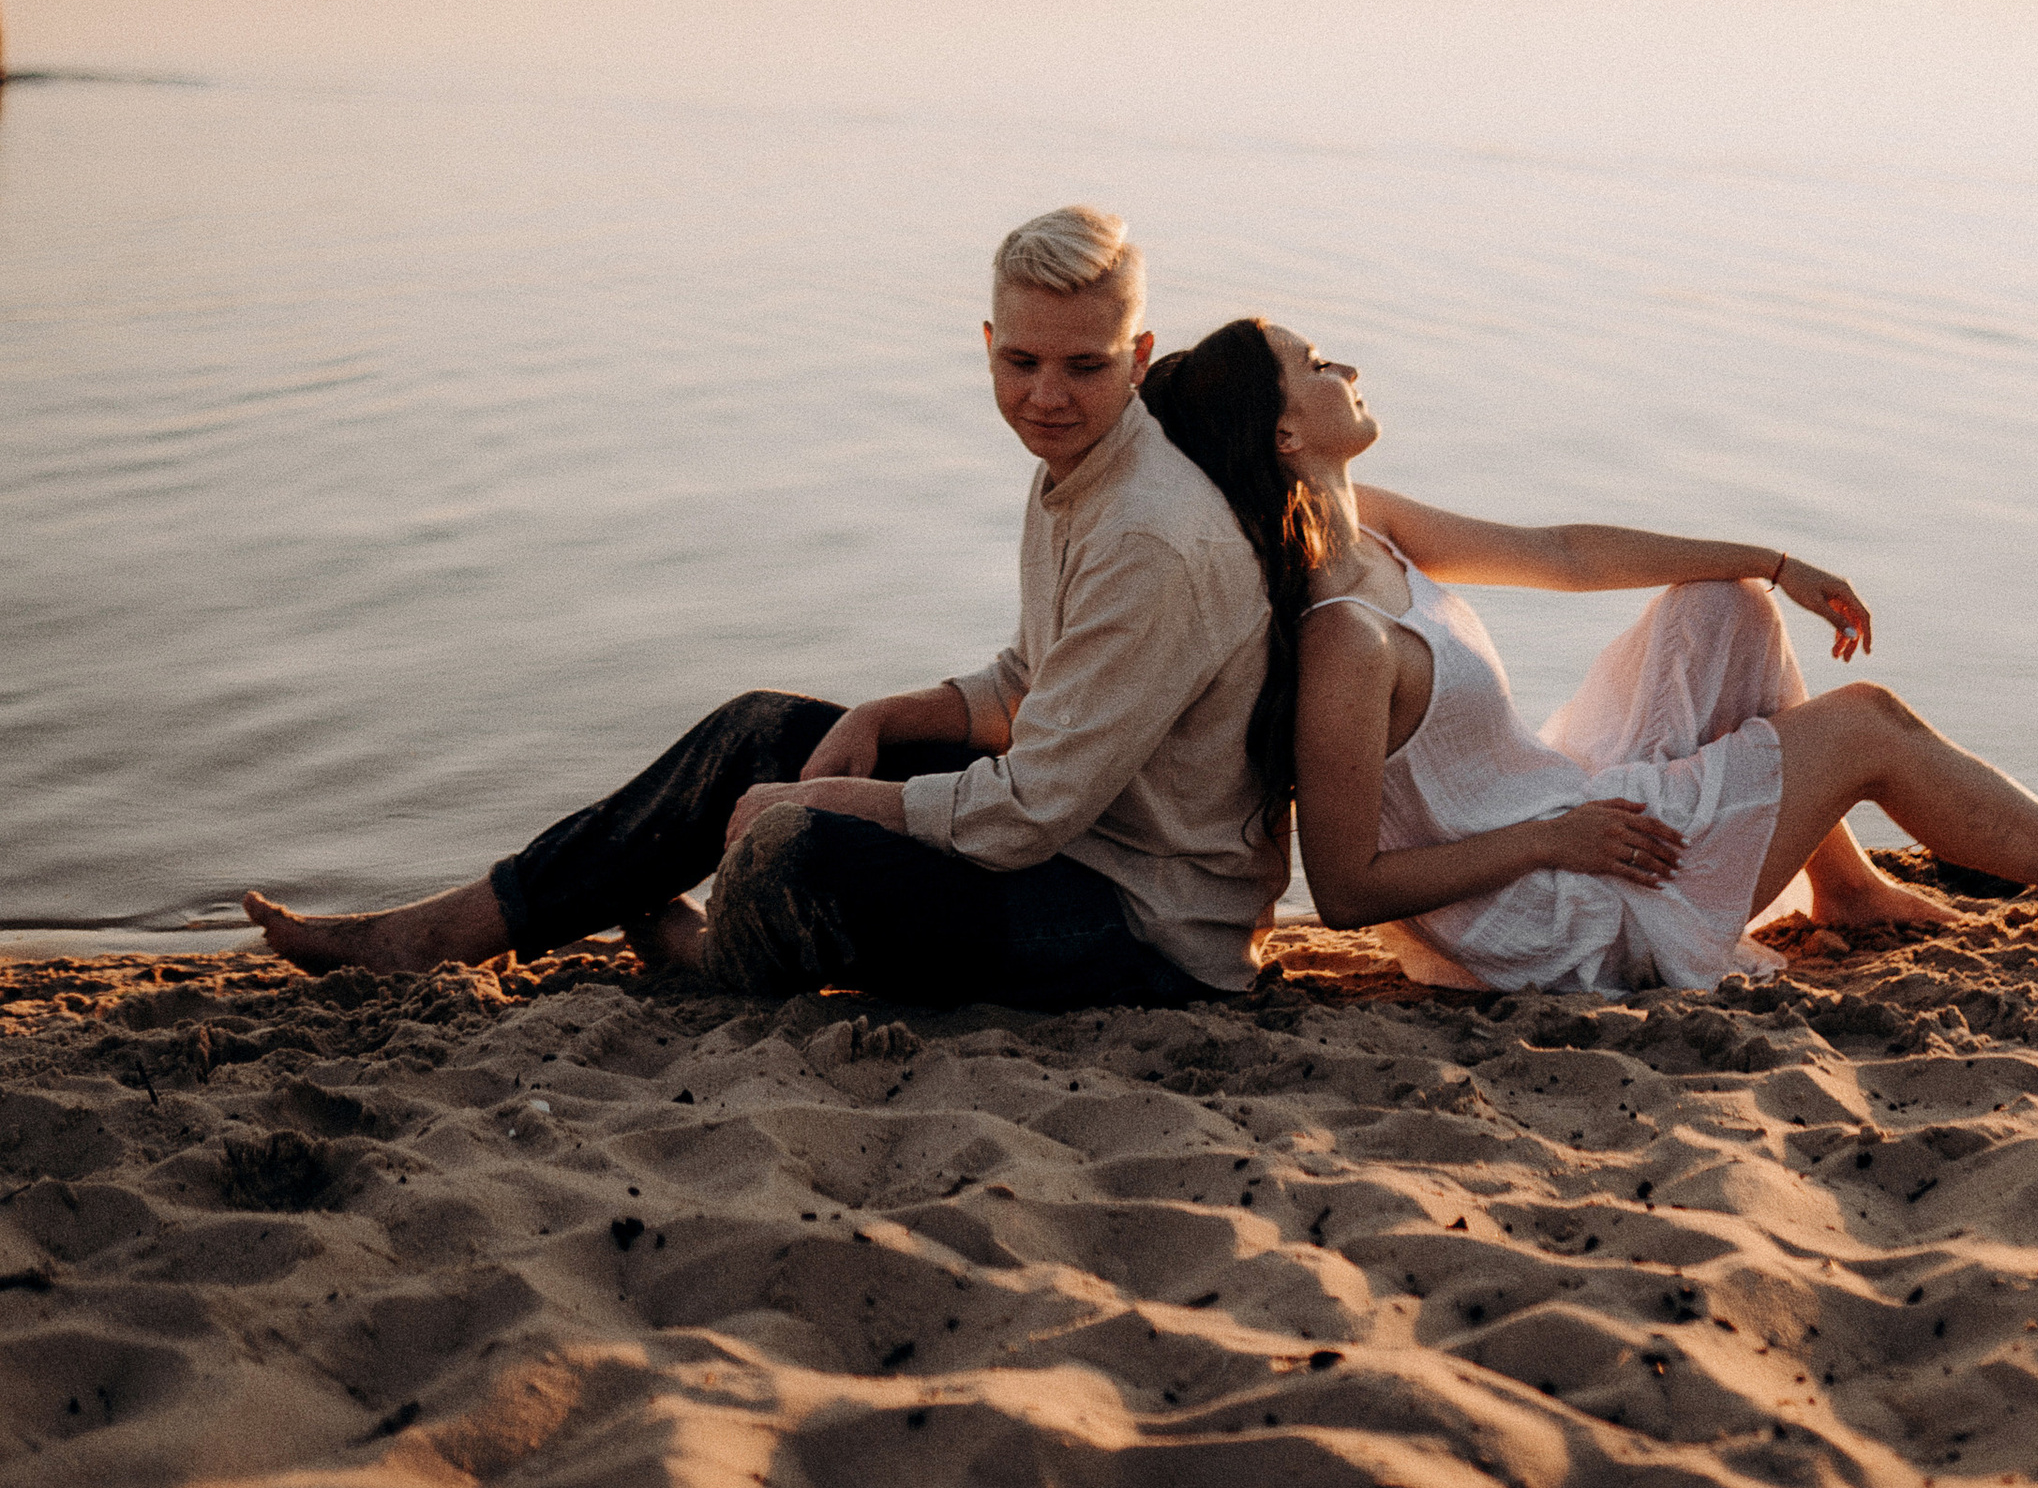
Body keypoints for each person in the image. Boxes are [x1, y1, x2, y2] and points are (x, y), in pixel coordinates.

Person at [245, 209, 1288, 1011]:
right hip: (1072, 844)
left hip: (1142, 927)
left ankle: (712, 958)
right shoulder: (1083, 466)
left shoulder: (1149, 535)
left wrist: (831, 802)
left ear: (1138, 357)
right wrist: (880, 718)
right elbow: (1029, 686)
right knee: (762, 733)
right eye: (1022, 362)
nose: (1045, 396)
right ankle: (441, 933)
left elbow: (1027, 813)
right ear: (987, 344)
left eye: (1084, 367)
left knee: (803, 848)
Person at [1140, 317, 2038, 997]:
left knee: (1726, 610)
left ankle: (1847, 888)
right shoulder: (1341, 636)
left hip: (1555, 807)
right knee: (1867, 723)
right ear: (1286, 434)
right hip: (1544, 904)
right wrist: (1555, 839)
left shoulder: (1368, 522)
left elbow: (1562, 552)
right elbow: (1344, 892)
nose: (1344, 364)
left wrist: (1771, 560)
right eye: (1314, 361)